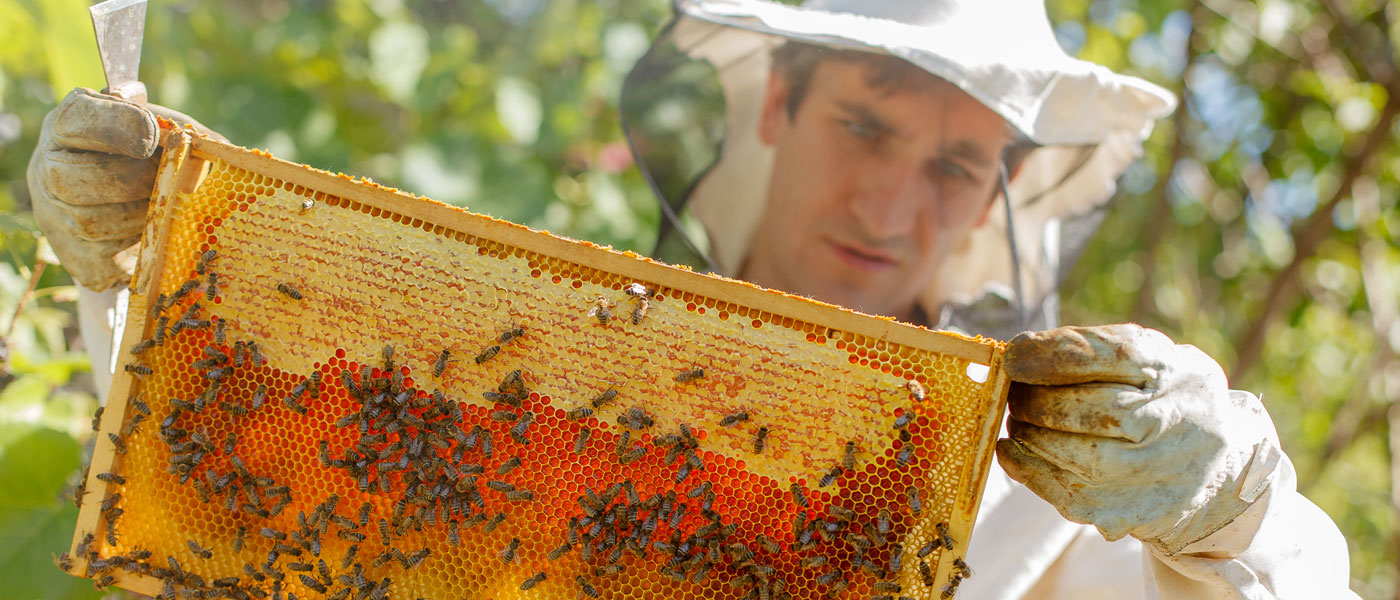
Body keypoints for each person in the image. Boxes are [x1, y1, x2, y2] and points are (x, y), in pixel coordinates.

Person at [28, 0, 1355, 597]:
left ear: (1003, 186)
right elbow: (238, 470)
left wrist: (1234, 509)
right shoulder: (558, 371)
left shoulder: (1031, 520)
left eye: (957, 165)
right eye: (869, 128)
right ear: (778, 102)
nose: (895, 208)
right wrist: (139, 267)